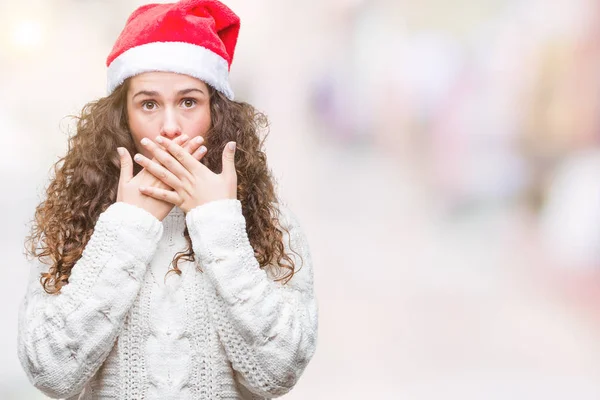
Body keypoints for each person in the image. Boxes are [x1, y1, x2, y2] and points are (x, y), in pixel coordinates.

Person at [17, 1, 318, 399]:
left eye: (189, 102)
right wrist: (128, 225)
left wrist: (217, 222)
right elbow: (51, 373)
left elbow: (278, 373)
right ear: (122, 118)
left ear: (217, 113)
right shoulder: (80, 218)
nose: (171, 126)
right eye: (149, 104)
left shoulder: (269, 221)